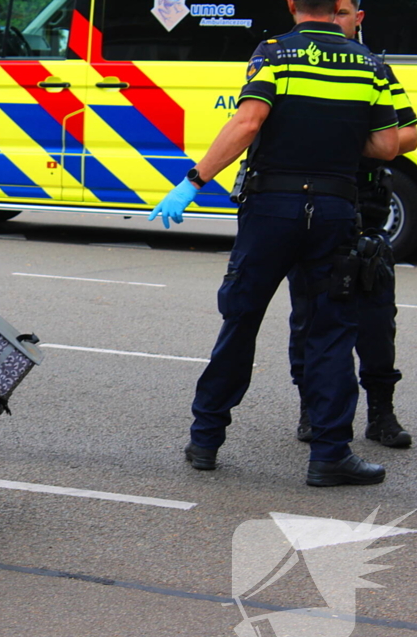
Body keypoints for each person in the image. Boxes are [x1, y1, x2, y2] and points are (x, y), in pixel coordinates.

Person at [149, 0, 399, 486]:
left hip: (271, 208)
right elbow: (389, 145)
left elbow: (248, 123)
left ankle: (205, 440)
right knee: (330, 332)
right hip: (333, 210)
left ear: (292, 5)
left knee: (240, 323)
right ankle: (330, 455)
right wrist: (335, 137)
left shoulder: (275, 53)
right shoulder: (369, 63)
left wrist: (193, 180)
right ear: (338, 9)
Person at [289, 0, 417, 449]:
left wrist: (351, 140)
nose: (335, 20)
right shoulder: (289, 59)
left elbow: (409, 135)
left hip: (364, 210)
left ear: (357, 19)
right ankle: (312, 408)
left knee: (377, 317)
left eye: (344, 13)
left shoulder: (374, 69)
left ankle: (380, 412)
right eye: (332, 11)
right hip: (314, 208)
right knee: (309, 315)